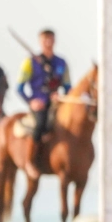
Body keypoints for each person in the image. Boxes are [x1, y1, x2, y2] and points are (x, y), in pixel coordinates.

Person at [16, 28, 71, 180]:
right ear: (40, 41)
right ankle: (30, 161)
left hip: (56, 104)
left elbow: (68, 87)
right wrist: (31, 101)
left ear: (54, 41)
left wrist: (62, 96)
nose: (48, 43)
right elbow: (19, 88)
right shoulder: (30, 62)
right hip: (39, 104)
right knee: (40, 123)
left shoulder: (61, 63)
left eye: (51, 39)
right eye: (45, 40)